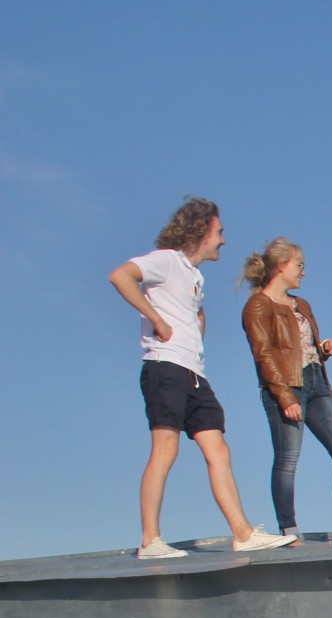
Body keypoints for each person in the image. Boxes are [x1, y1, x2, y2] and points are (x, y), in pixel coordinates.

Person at [107, 197, 293, 558]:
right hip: (164, 367)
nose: (223, 240)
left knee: (218, 448)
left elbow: (197, 313)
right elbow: (120, 276)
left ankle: (242, 533)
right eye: (219, 232)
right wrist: (157, 320)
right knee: (166, 449)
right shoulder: (166, 260)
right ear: (201, 231)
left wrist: (196, 331)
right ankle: (150, 541)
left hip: (193, 373)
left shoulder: (195, 276)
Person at [239, 238, 332, 546]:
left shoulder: (302, 305)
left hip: (317, 383)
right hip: (285, 387)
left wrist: (324, 349)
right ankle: (289, 532)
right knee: (288, 458)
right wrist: (285, 396)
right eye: (299, 265)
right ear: (281, 266)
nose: (303, 272)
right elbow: (264, 355)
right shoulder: (258, 305)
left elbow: (300, 349)